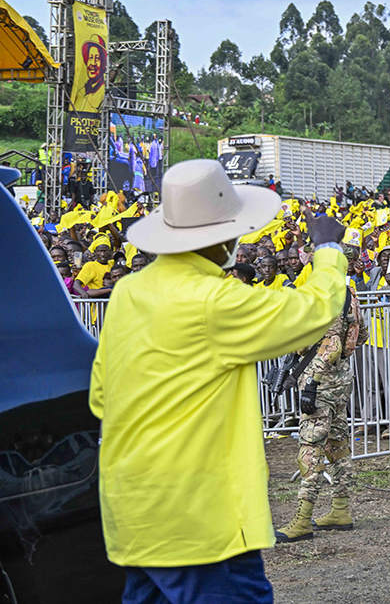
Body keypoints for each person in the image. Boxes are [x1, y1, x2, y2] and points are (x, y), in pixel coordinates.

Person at [90, 159, 348, 601]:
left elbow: (100, 398)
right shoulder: (213, 301)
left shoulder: (129, 292)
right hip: (197, 513)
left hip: (131, 503)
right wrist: (326, 250)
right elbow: (314, 312)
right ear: (223, 234)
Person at [274, 285, 368, 542]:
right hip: (340, 379)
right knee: (337, 445)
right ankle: (340, 510)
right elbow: (360, 335)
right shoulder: (349, 293)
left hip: (318, 384)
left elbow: (332, 344)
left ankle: (302, 520)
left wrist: (312, 380)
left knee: (310, 449)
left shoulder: (318, 293)